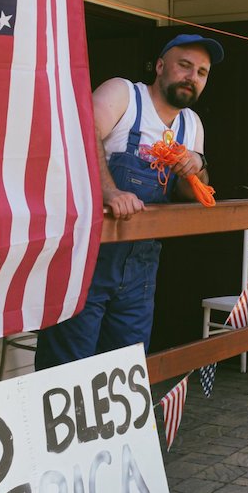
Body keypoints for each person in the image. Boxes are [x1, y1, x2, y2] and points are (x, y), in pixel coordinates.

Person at [34, 34, 221, 370]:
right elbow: (79, 134)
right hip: (85, 261)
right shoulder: (124, 94)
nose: (192, 77)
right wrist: (109, 191)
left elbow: (189, 193)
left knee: (124, 370)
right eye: (185, 66)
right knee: (66, 371)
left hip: (141, 269)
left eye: (202, 73)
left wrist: (197, 168)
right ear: (161, 66)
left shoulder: (191, 125)